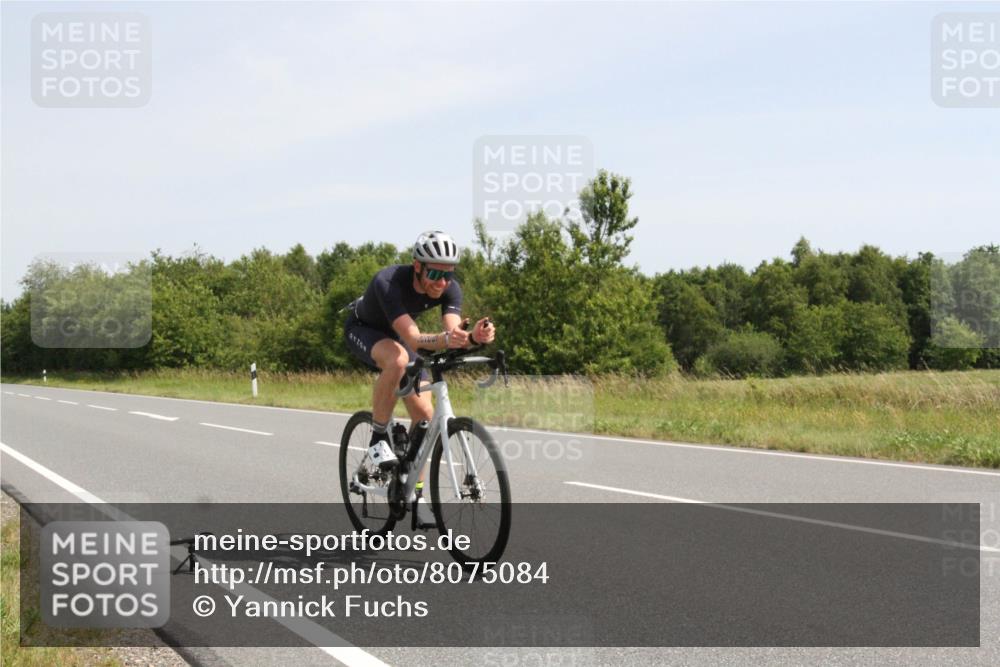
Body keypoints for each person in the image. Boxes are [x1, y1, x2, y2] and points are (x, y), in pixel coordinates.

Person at [343, 230, 495, 473]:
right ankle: (378, 439)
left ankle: (412, 488)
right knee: (398, 360)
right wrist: (447, 339)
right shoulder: (388, 282)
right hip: (364, 329)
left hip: (397, 337)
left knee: (425, 415)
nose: (441, 282)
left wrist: (473, 337)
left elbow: (453, 332)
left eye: (448, 274)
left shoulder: (450, 289)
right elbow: (414, 340)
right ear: (417, 266)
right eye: (434, 274)